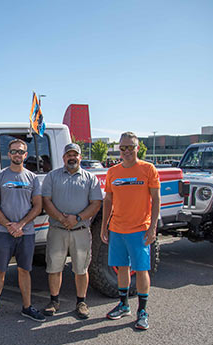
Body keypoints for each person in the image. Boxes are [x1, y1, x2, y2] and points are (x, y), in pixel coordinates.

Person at [100, 132, 160, 330]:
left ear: (138, 148)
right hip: (117, 228)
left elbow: (156, 199)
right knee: (121, 268)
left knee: (141, 269)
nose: (126, 151)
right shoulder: (113, 172)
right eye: (123, 147)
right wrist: (104, 226)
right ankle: (123, 304)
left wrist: (152, 228)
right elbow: (108, 200)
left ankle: (142, 311)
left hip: (139, 229)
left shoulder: (148, 169)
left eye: (130, 147)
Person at [0, 138, 45, 325]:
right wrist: (10, 225)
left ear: (26, 155)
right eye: (14, 151)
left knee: (24, 270)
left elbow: (37, 206)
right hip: (4, 232)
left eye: (21, 151)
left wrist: (21, 225)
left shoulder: (32, 178)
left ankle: (27, 307)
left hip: (26, 233)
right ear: (8, 154)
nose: (17, 154)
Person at [41, 143, 103, 318]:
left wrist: (77, 218)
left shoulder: (91, 178)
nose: (72, 158)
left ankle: (81, 302)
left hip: (81, 230)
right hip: (57, 229)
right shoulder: (52, 176)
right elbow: (46, 200)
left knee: (81, 269)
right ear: (63, 158)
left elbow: (96, 203)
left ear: (80, 157)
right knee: (54, 267)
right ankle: (54, 301)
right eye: (68, 154)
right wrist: (62, 218)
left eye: (75, 155)